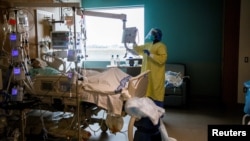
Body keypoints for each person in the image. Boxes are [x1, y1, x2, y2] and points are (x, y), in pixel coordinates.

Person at [132, 28, 167, 141]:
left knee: (155, 96)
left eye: (152, 34)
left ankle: (156, 121)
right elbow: (137, 49)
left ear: (157, 36)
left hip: (155, 77)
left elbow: (162, 59)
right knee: (145, 97)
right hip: (146, 76)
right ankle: (145, 120)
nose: (150, 36)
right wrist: (132, 41)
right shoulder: (148, 44)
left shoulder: (161, 46)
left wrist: (150, 55)